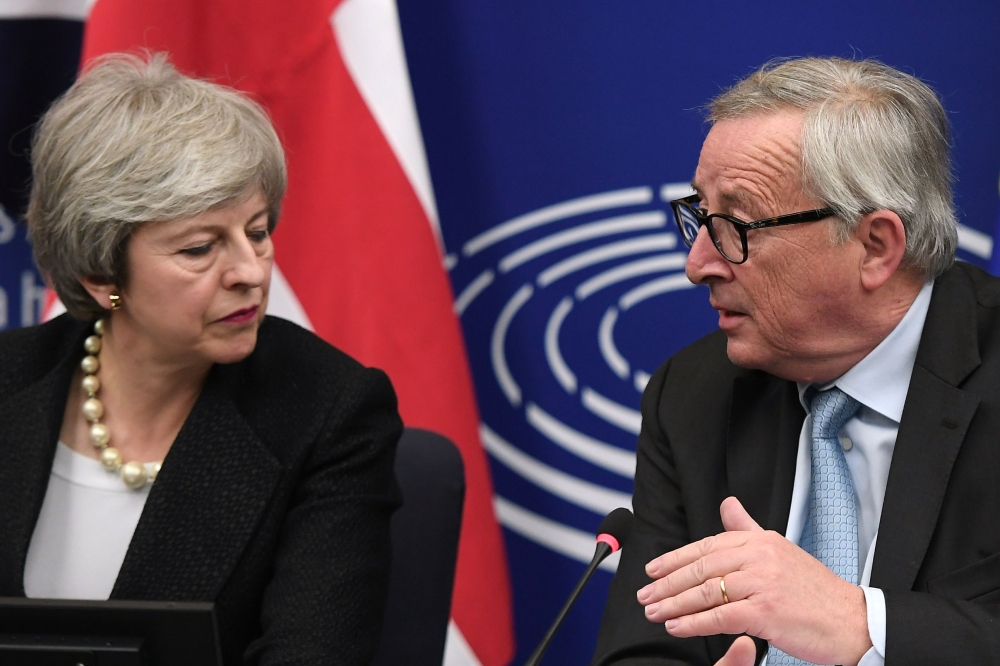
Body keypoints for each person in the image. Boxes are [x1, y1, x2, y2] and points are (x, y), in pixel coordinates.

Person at [592, 56, 1000, 666]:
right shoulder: (693, 392)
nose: (697, 263)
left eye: (736, 224)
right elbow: (642, 646)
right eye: (701, 216)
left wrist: (861, 625)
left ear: (875, 246)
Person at [0, 52, 402, 665]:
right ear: (101, 271)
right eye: (199, 247)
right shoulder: (8, 382)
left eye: (258, 231)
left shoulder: (328, 413)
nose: (249, 272)